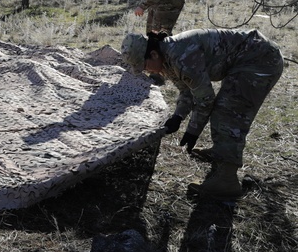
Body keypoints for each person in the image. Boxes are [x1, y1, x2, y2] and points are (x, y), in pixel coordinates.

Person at [121, 29, 284, 199]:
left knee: (228, 112)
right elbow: (187, 91)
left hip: (260, 59)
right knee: (224, 108)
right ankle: (220, 152)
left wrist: (193, 131)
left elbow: (205, 100)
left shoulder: (181, 56)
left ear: (153, 54)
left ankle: (227, 180)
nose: (147, 71)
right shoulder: (167, 57)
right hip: (247, 59)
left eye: (144, 65)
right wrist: (177, 117)